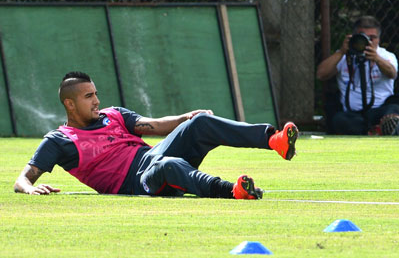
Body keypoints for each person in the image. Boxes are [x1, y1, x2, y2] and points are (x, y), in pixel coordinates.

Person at [14, 71, 298, 199]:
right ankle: (233, 191)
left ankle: (274, 140)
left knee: (199, 123)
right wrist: (30, 188)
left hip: (152, 154)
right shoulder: (59, 139)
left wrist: (186, 117)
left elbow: (155, 125)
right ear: (70, 103)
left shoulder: (113, 115)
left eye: (96, 94)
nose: (96, 101)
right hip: (137, 183)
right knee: (167, 166)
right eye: (89, 96)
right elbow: (23, 179)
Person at [316, 16, 399, 135]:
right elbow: (321, 74)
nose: (367, 42)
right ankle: (379, 131)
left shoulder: (386, 56)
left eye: (372, 38)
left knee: (395, 110)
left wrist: (376, 59)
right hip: (352, 114)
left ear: (379, 39)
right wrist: (342, 52)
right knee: (339, 120)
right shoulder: (344, 57)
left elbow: (392, 73)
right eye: (363, 37)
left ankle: (382, 128)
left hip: (380, 111)